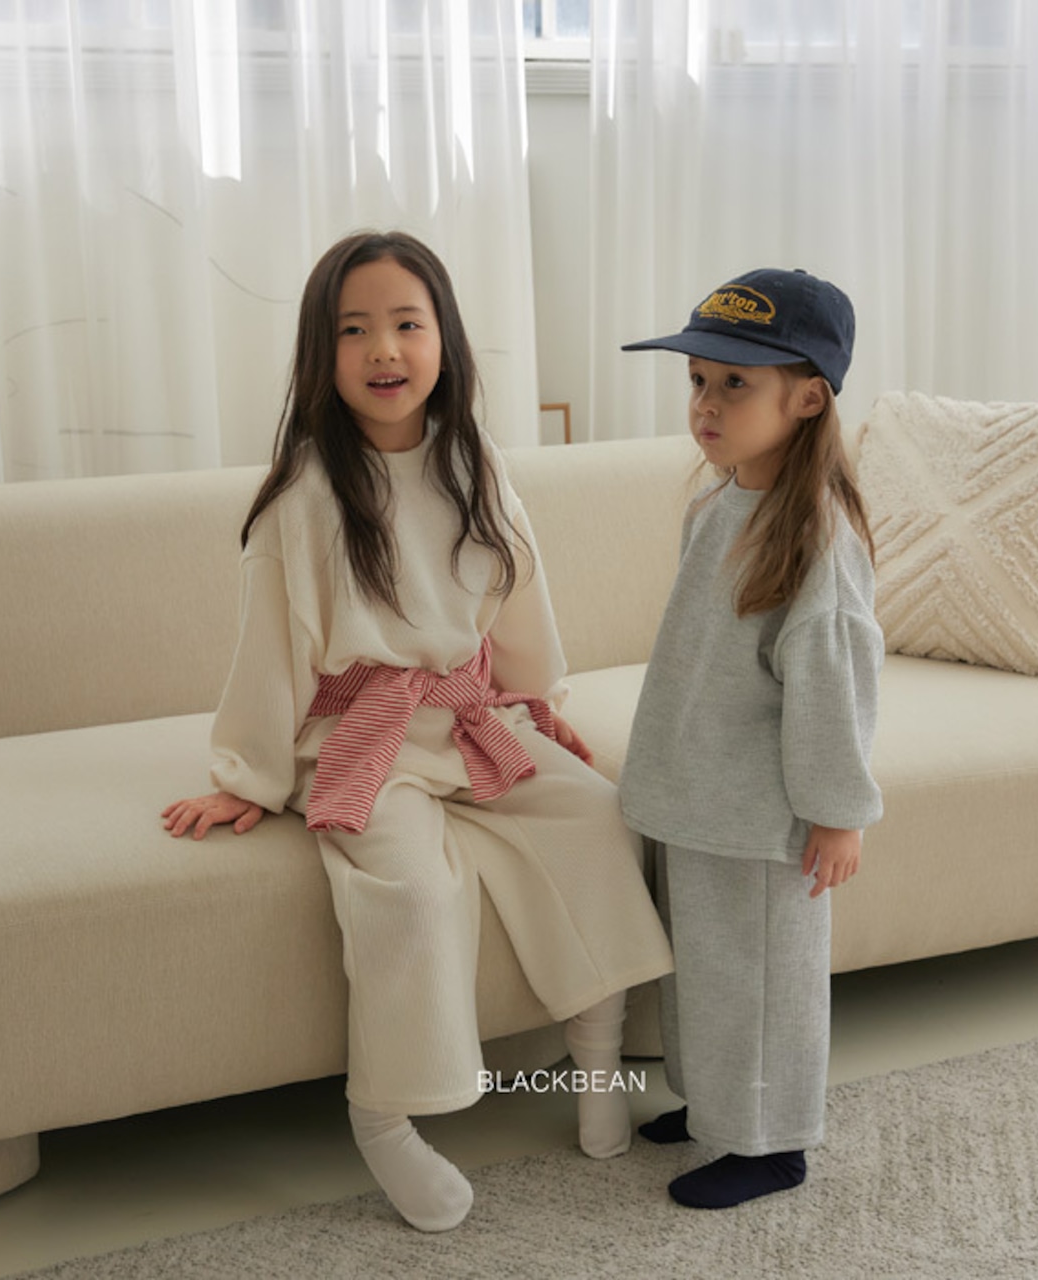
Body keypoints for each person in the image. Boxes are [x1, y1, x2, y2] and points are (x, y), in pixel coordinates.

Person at [162, 230, 673, 1232]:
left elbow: (519, 591)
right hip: (365, 739)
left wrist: (537, 699)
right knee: (412, 890)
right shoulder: (303, 496)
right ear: (322, 353)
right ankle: (385, 1116)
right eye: (354, 330)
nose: (384, 349)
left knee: (596, 818)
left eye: (406, 323)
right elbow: (267, 651)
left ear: (445, 340)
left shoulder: (474, 464)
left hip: (469, 719)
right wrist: (246, 775)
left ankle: (597, 1058)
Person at [618, 267, 884, 1209]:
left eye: (736, 382)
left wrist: (838, 813)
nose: (706, 402)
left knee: (762, 981)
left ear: (806, 398)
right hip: (696, 793)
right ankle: (717, 1107)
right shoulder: (716, 505)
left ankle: (771, 1140)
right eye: (698, 379)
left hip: (764, 818)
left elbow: (832, 689)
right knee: (703, 974)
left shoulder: (816, 540)